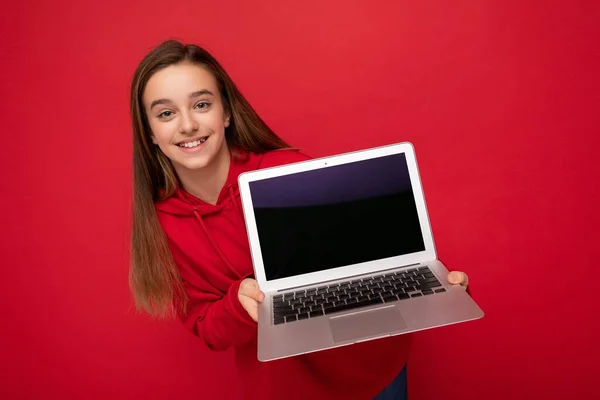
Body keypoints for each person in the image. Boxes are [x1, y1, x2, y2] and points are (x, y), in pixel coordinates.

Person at [129, 40, 469, 400]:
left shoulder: (286, 170)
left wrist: (438, 283)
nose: (187, 125)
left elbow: (366, 252)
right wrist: (236, 306)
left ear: (225, 113)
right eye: (166, 113)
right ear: (149, 131)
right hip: (284, 388)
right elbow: (208, 329)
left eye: (201, 105)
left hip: (373, 371)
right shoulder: (163, 225)